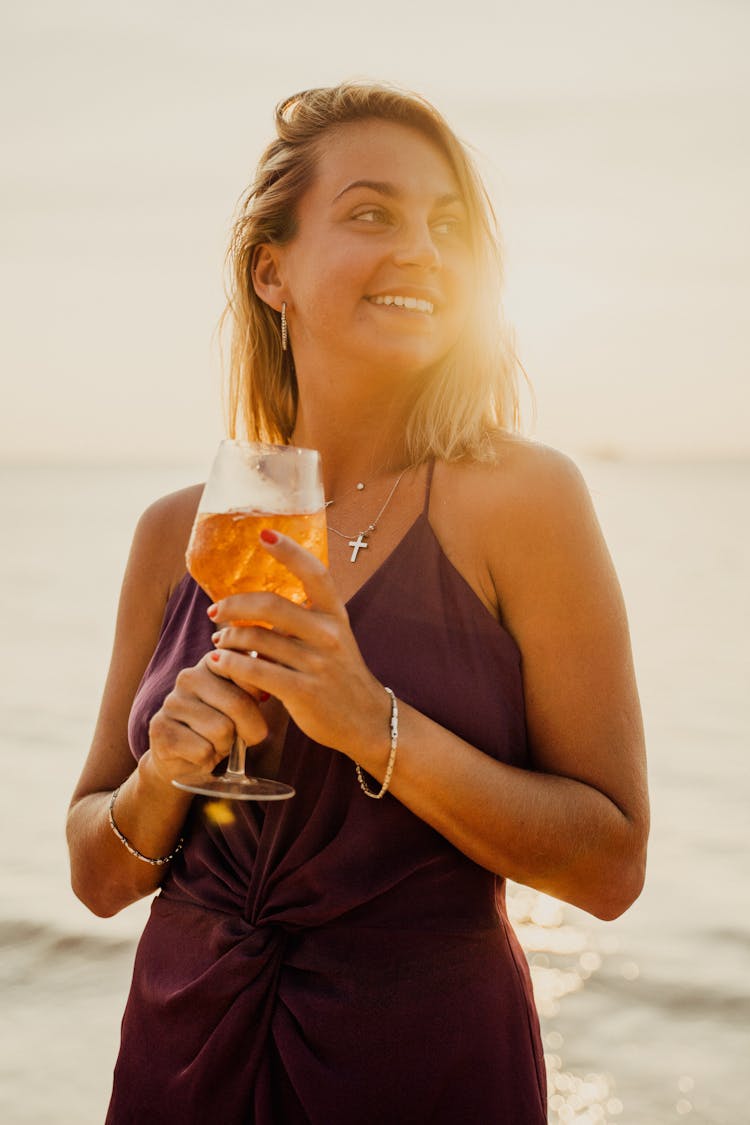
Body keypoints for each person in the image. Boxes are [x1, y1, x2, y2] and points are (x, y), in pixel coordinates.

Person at [67, 82, 650, 1124]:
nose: (423, 249)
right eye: (373, 213)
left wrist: (369, 722)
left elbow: (610, 866)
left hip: (419, 1064)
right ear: (272, 269)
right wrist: (164, 774)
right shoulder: (180, 530)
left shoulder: (526, 500)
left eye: (448, 225)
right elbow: (97, 873)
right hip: (181, 1049)